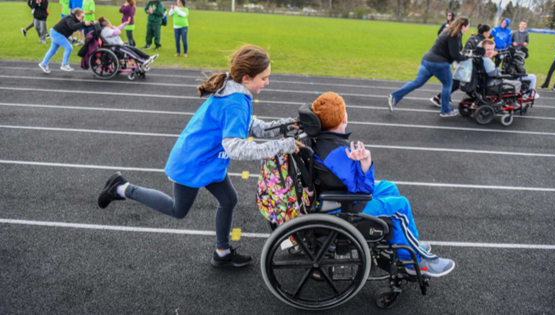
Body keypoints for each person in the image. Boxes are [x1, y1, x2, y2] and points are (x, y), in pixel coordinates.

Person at [97, 45, 304, 268]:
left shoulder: (234, 90)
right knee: (178, 210)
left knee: (229, 200)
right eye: (264, 78)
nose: (267, 82)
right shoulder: (235, 101)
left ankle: (222, 253)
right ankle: (122, 188)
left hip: (208, 160)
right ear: (246, 78)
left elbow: (247, 125)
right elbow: (235, 147)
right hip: (193, 162)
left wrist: (283, 126)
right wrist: (281, 146)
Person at [310, 92, 455, 277]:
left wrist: (362, 165)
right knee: (400, 205)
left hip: (335, 198)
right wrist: (366, 161)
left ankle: (406, 243)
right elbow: (364, 190)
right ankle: (413, 260)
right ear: (342, 119)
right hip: (343, 208)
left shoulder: (324, 142)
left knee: (389, 187)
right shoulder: (337, 153)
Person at [388, 17, 470, 117]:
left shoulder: (447, 31)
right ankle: (445, 110)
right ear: (463, 26)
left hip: (427, 60)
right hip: (439, 63)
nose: (467, 30)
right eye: (468, 27)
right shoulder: (455, 35)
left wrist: (459, 54)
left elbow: (449, 50)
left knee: (416, 83)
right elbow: (454, 55)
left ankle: (395, 96)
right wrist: (466, 57)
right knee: (448, 84)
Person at [430, 24, 492, 107]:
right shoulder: (482, 42)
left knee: (457, 84)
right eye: (488, 32)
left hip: (466, 65)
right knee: (458, 84)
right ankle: (438, 98)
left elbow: (466, 50)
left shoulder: (472, 38)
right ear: (485, 32)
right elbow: (479, 55)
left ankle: (442, 97)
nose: (489, 34)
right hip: (470, 68)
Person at [38, 8, 94, 74]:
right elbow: (72, 26)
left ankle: (43, 64)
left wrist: (91, 23)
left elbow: (79, 25)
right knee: (69, 47)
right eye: (82, 17)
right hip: (57, 33)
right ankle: (64, 64)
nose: (83, 18)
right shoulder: (69, 18)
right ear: (76, 15)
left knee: (53, 50)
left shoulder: (75, 19)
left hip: (56, 33)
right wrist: (83, 23)